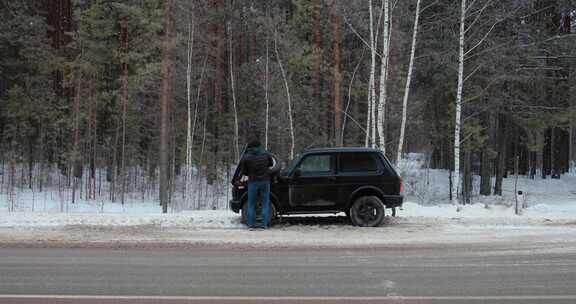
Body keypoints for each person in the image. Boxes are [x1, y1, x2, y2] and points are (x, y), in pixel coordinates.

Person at [234, 139, 273, 229]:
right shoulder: (266, 154)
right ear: (259, 146)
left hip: (253, 182)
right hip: (265, 182)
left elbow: (244, 171)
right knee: (265, 203)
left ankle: (251, 225)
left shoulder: (247, 157)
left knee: (251, 204)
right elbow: (270, 164)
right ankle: (263, 225)